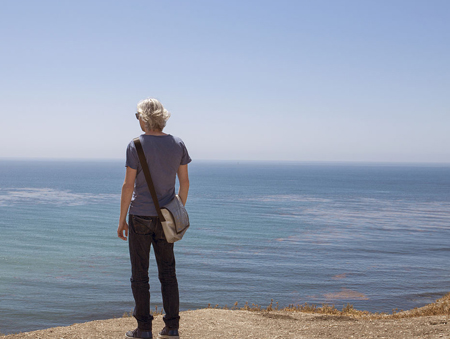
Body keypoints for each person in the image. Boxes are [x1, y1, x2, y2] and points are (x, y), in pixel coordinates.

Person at [117, 98, 191, 339]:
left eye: (137, 115)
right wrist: (176, 211)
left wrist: (121, 220)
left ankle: (144, 329)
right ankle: (172, 327)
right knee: (168, 273)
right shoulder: (178, 143)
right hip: (166, 217)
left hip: (139, 216)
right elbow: (185, 182)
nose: (137, 119)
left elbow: (128, 186)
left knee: (140, 274)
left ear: (145, 118)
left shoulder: (135, 145)